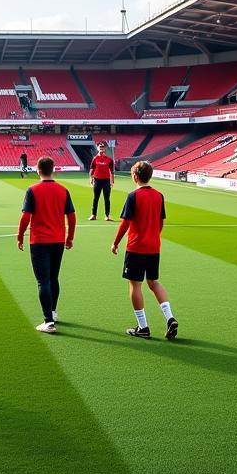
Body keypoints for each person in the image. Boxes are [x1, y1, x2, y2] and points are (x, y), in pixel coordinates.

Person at [111, 160, 177, 339]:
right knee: (154, 282)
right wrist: (154, 236)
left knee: (135, 284)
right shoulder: (159, 196)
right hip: (154, 247)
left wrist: (115, 242)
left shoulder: (133, 196)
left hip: (136, 247)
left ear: (135, 176)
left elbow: (125, 223)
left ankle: (143, 327)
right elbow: (161, 221)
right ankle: (170, 317)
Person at [18, 155, 76, 334]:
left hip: (39, 241)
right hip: (58, 240)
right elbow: (72, 217)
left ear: (38, 170)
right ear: (53, 169)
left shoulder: (32, 190)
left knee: (43, 281)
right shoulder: (63, 190)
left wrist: (20, 236)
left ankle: (48, 321)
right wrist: (70, 237)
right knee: (53, 278)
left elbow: (25, 217)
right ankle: (53, 312)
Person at [89, 141, 115, 221]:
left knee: (107, 199)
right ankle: (93, 215)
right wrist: (91, 180)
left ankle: (107, 216)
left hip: (106, 181)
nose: (101, 148)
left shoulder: (109, 160)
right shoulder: (95, 159)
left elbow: (112, 171)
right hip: (97, 180)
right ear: (97, 148)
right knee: (95, 198)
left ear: (105, 149)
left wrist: (112, 181)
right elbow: (91, 170)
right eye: (100, 147)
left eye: (103, 147)